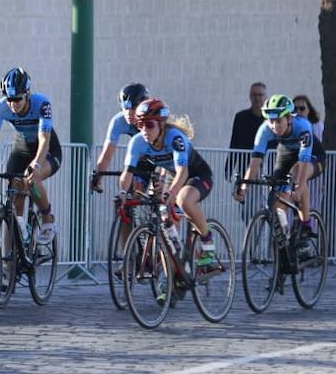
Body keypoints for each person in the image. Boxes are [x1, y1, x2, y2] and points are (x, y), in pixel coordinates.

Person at [119, 98, 221, 274]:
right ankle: (172, 277)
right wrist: (122, 193)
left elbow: (183, 172)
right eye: (140, 124)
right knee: (166, 226)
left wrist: (171, 193)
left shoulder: (175, 138)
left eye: (149, 125)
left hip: (196, 174)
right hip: (173, 176)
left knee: (184, 200)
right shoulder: (137, 142)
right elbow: (127, 174)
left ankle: (207, 241)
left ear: (161, 124)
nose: (144, 130)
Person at [234, 94, 325, 259]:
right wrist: (244, 187)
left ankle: (305, 227)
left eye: (278, 121)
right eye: (270, 120)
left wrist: (298, 188)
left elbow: (303, 162)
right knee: (276, 198)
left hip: (312, 155)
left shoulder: (303, 126)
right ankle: (283, 243)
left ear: (289, 118)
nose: (274, 126)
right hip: (287, 152)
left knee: (298, 174)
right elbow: (255, 161)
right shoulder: (265, 129)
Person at [0, 67, 58, 245]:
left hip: (47, 148)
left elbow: (44, 140)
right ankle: (10, 261)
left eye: (17, 99)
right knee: (14, 197)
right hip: (21, 148)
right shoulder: (0, 107)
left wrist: (36, 164)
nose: (13, 104)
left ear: (27, 93)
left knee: (32, 179)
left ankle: (46, 217)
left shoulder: (42, 104)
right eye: (9, 99)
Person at [90, 82, 151, 193]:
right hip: (143, 160)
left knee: (160, 194)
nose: (128, 113)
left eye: (133, 108)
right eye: (125, 108)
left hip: (163, 159)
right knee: (130, 187)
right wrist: (98, 175)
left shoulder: (152, 120)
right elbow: (107, 155)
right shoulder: (118, 121)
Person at [227, 81, 268, 184]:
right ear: (250, 96)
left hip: (267, 165)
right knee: (245, 196)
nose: (257, 98)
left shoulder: (271, 119)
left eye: (260, 95)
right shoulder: (241, 117)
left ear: (265, 97)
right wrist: (229, 167)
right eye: (254, 95)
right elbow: (234, 142)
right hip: (245, 164)